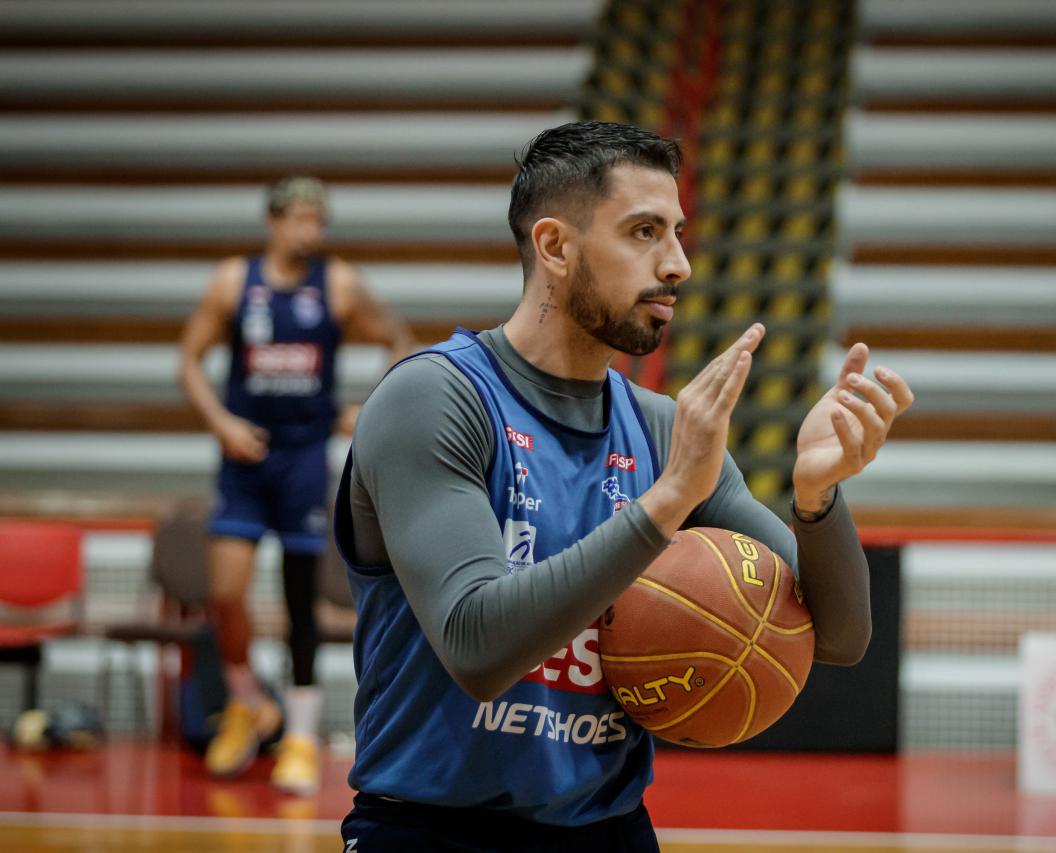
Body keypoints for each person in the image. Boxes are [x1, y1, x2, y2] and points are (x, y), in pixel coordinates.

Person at [335, 121, 914, 850]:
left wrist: (816, 498)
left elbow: (839, 635)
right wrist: (667, 499)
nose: (678, 265)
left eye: (677, 233)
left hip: (607, 828)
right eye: (644, 232)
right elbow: (476, 645)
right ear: (554, 246)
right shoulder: (435, 399)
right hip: (432, 829)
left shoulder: (663, 429)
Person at [178, 176, 415, 795]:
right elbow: (188, 360)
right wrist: (222, 422)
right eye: (300, 219)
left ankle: (303, 734)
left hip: (305, 459)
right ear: (274, 222)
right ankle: (247, 701)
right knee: (224, 592)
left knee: (299, 598)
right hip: (246, 459)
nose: (310, 231)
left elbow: (397, 337)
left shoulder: (336, 283)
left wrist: (368, 408)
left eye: (319, 221)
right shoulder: (236, 280)